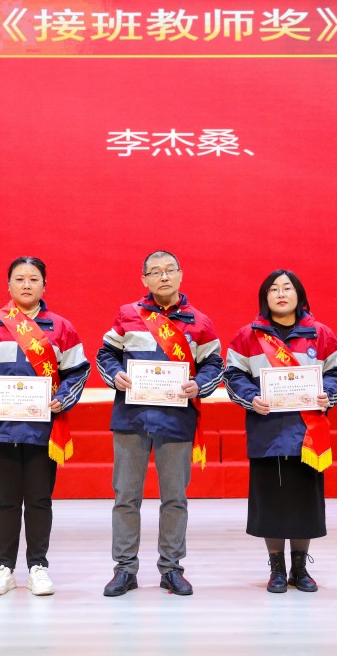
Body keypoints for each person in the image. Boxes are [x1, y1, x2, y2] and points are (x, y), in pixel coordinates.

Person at [96, 250, 224, 597]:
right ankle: (125, 569)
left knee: (174, 499)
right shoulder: (128, 314)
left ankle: (171, 568)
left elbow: (214, 364)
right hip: (131, 418)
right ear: (144, 280)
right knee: (126, 497)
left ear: (181, 275)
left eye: (169, 270)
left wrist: (200, 384)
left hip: (176, 419)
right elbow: (105, 354)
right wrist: (115, 375)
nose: (163, 277)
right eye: (155, 272)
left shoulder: (199, 322)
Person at [0, 257, 90, 597]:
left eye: (34, 279)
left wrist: (63, 398)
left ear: (44, 286)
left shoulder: (61, 328)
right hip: (2, 427)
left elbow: (77, 371)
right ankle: (4, 568)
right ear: (8, 285)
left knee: (38, 500)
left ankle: (38, 567)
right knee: (5, 501)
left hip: (42, 430)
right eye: (19, 278)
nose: (26, 284)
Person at [223, 269, 337, 593]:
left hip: (308, 432)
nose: (281, 294)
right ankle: (277, 569)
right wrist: (252, 397)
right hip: (267, 432)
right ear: (265, 297)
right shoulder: (248, 335)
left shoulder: (320, 334)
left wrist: (327, 394)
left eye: (287, 288)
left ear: (299, 295)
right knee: (272, 503)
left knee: (304, 503)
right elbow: (233, 375)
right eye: (274, 289)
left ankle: (300, 569)